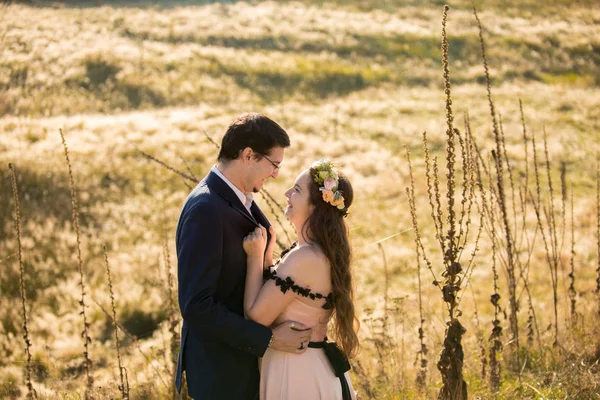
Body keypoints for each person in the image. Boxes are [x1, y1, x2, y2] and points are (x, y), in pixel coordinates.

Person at [175, 113, 313, 400]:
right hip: (222, 373)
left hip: (241, 367)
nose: (276, 174)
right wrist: (271, 340)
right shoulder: (206, 209)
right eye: (274, 164)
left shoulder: (238, 199)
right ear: (249, 155)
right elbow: (196, 305)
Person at [243, 159, 359, 400]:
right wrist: (268, 259)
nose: (286, 193)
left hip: (297, 372)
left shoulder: (305, 257)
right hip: (307, 365)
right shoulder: (316, 252)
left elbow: (255, 316)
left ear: (315, 207)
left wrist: (254, 257)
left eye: (296, 190)